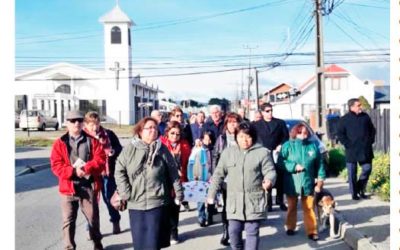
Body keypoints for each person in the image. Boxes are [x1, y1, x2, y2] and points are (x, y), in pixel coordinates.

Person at [114, 117, 183, 250]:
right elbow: (119, 170)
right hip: (136, 203)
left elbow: (173, 173)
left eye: (155, 128)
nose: (153, 130)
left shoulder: (162, 149)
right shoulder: (130, 149)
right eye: (149, 128)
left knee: (153, 243)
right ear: (140, 131)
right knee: (140, 244)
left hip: (157, 202)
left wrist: (179, 193)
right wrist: (125, 192)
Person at [207, 122, 276, 250]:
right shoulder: (228, 153)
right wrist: (211, 194)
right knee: (233, 232)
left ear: (253, 137)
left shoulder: (262, 152)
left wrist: (269, 180)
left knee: (252, 232)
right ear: (235, 137)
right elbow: (218, 174)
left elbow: (270, 171)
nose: (244, 140)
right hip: (234, 202)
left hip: (254, 200)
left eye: (248, 137)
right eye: (241, 137)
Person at [50, 110, 105, 250]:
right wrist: (73, 171)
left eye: (79, 120)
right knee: (68, 221)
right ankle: (69, 247)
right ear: (66, 123)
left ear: (83, 123)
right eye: (73, 121)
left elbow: (100, 160)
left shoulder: (92, 141)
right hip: (68, 188)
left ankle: (97, 244)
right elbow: (56, 165)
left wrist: (86, 168)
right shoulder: (59, 143)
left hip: (88, 186)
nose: (76, 123)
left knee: (93, 219)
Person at [277, 123, 326, 241]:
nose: (303, 135)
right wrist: (293, 166)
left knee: (309, 207)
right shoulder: (287, 146)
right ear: (294, 133)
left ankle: (312, 231)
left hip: (308, 181)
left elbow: (320, 164)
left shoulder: (313, 146)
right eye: (300, 133)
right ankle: (290, 226)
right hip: (292, 182)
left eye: (305, 133)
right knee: (292, 206)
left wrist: (320, 179)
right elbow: (280, 162)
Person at [83, 111, 122, 235]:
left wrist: (113, 151)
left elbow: (119, 148)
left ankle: (115, 221)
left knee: (108, 198)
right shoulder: (83, 137)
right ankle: (91, 228)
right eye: (91, 125)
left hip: (106, 173)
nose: (95, 127)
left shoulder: (108, 134)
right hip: (90, 173)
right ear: (86, 124)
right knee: (90, 202)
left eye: (97, 124)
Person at [336, 98, 376, 200]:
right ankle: (354, 194)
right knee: (352, 173)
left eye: (360, 105)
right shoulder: (344, 119)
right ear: (352, 107)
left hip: (365, 149)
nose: (360, 107)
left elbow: (372, 130)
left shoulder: (365, 117)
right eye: (358, 105)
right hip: (351, 150)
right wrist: (347, 144)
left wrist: (370, 141)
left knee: (367, 169)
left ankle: (360, 189)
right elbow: (340, 134)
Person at [212, 112, 242, 246]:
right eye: (230, 122)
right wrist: (215, 177)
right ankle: (226, 232)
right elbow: (215, 157)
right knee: (227, 206)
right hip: (226, 179)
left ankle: (237, 233)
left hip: (241, 178)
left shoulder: (244, 137)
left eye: (235, 122)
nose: (233, 125)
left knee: (240, 206)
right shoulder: (221, 139)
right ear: (226, 125)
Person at [253, 102, 289, 211]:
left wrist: (281, 145)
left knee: (279, 176)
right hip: (263, 154)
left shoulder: (280, 123)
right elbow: (254, 139)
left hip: (277, 153)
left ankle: (280, 200)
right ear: (262, 112)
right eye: (267, 111)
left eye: (271, 110)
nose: (270, 113)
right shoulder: (256, 125)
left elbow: (286, 137)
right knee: (266, 177)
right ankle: (268, 203)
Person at [160, 121, 192, 244]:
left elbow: (189, 162)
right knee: (164, 208)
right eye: (172, 133)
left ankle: (174, 232)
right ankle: (164, 232)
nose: (175, 136)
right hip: (163, 181)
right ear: (167, 133)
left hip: (179, 181)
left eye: (178, 134)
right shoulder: (161, 143)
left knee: (175, 208)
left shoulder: (184, 145)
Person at [187, 130, 215, 227]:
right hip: (201, 177)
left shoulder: (214, 150)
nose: (208, 141)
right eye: (206, 139)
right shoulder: (197, 150)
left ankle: (210, 216)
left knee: (211, 199)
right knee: (201, 200)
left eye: (210, 139)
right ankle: (201, 218)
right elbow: (192, 163)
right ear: (202, 139)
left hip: (212, 178)